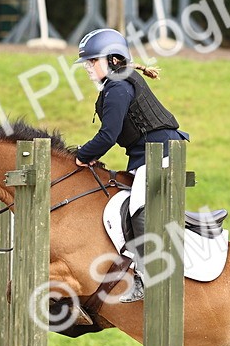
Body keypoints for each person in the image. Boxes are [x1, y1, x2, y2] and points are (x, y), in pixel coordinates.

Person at [72, 28, 188, 303]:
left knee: (137, 207)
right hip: (144, 154)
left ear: (113, 60)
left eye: (92, 61)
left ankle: (148, 277)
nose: (88, 68)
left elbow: (108, 135)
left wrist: (82, 155)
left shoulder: (119, 88)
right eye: (87, 63)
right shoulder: (117, 84)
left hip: (160, 152)